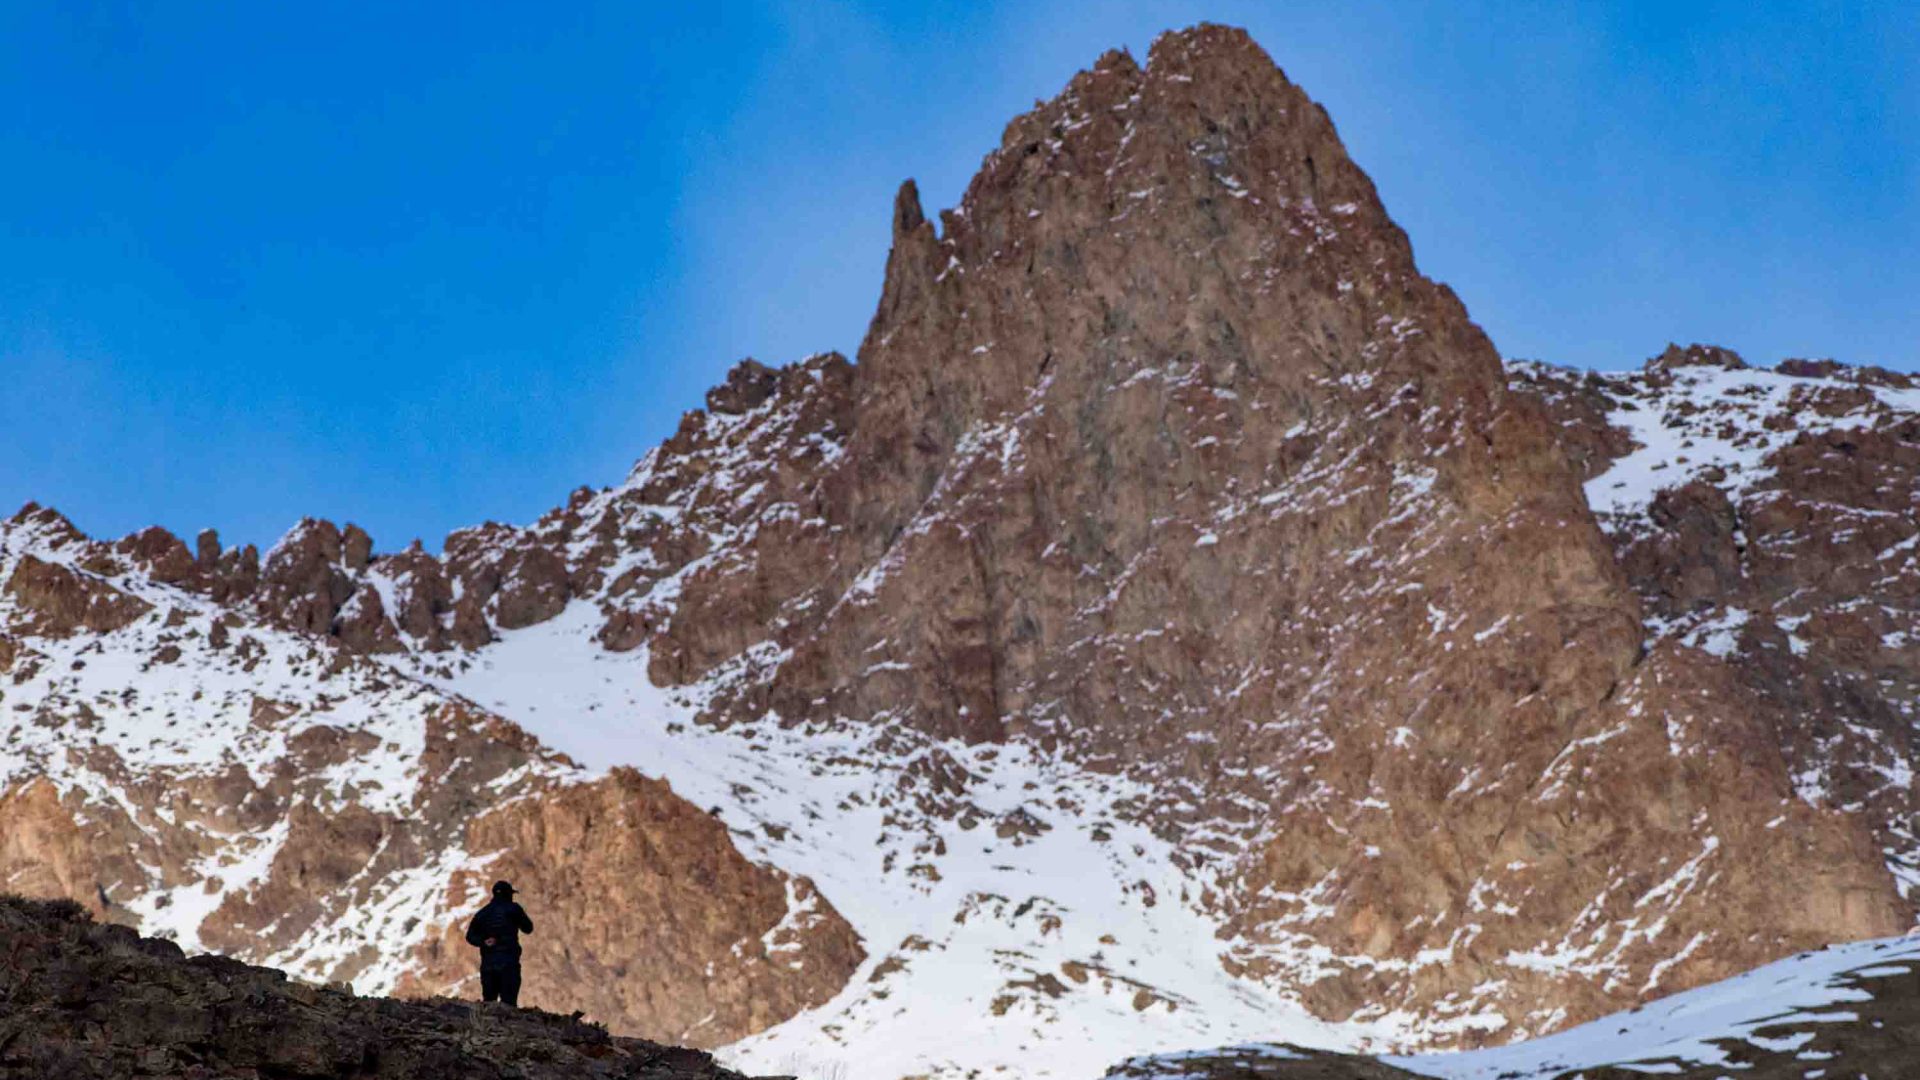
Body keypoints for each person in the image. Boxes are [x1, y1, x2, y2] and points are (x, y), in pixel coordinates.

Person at [464, 880, 534, 1006]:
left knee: (489, 1004)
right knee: (508, 1004)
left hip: (488, 965)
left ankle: (486, 1020)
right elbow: (528, 928)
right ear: (508, 894)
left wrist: (484, 942)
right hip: (509, 964)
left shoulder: (482, 913)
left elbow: (469, 936)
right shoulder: (514, 909)